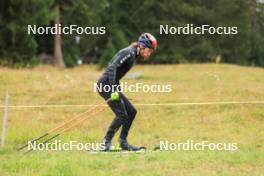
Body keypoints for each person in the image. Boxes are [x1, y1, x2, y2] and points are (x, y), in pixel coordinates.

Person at [97, 33, 157, 151]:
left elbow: (117, 73)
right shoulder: (129, 52)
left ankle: (123, 142)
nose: (149, 54)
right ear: (142, 46)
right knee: (122, 114)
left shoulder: (134, 55)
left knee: (131, 111)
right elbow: (112, 68)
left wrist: (117, 89)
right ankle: (105, 143)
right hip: (105, 85)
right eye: (149, 51)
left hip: (111, 85)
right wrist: (114, 89)